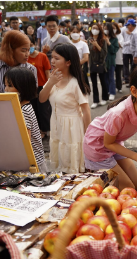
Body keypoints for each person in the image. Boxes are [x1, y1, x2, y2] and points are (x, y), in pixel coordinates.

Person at [83, 63, 137, 190]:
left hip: (114, 143)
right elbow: (108, 143)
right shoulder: (118, 114)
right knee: (128, 189)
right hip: (97, 147)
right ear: (134, 91)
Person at [39, 43, 92, 173]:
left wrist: (88, 136)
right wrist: (50, 82)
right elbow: (42, 98)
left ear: (68, 62)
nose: (52, 61)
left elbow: (86, 111)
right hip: (57, 124)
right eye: (52, 57)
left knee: (71, 157)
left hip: (72, 127)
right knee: (60, 156)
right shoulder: (54, 79)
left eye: (57, 58)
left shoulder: (75, 83)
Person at [4, 67, 47, 173]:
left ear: (22, 88)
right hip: (33, 161)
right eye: (5, 85)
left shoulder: (24, 111)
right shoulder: (24, 107)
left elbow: (25, 140)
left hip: (32, 164)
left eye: (10, 86)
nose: (6, 89)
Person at [28, 38, 52, 139]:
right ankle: (39, 130)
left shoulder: (42, 56)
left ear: (34, 45)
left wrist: (50, 86)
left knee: (44, 109)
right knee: (34, 109)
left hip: (42, 86)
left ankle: (46, 129)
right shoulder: (25, 57)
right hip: (30, 87)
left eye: (30, 46)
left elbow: (47, 73)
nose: (29, 49)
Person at [88, 22, 108, 109]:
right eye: (93, 28)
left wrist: (97, 45)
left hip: (101, 64)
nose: (94, 30)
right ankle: (95, 101)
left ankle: (105, 98)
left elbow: (104, 54)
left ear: (99, 30)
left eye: (96, 28)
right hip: (92, 64)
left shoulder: (103, 40)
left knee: (103, 82)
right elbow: (88, 53)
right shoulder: (89, 40)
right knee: (94, 83)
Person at [121, 19, 137, 85]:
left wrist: (135, 56)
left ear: (131, 25)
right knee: (135, 71)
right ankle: (135, 84)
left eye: (128, 26)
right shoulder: (134, 32)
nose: (127, 28)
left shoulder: (135, 33)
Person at [103, 22, 119, 101]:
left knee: (111, 77)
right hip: (103, 61)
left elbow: (114, 50)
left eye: (106, 29)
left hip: (111, 61)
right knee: (104, 77)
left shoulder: (114, 39)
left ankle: (112, 92)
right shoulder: (101, 38)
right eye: (104, 29)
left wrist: (109, 43)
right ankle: (108, 91)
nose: (105, 30)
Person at [113, 22, 124, 93]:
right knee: (110, 75)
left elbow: (121, 44)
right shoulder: (107, 36)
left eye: (114, 28)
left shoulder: (119, 35)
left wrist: (114, 41)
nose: (113, 30)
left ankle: (119, 87)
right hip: (111, 58)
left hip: (118, 57)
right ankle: (111, 88)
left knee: (118, 73)